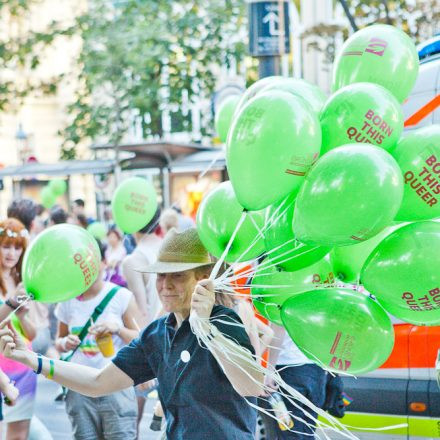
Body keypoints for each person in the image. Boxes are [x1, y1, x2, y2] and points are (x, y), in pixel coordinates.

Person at [0, 228, 262, 439]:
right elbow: (98, 383)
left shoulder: (224, 321)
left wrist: (207, 327)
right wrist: (31, 359)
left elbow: (250, 385)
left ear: (205, 278)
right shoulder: (158, 333)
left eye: (178, 275)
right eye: (160, 275)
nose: (165, 285)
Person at [53, 241, 141, 440]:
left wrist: (118, 329)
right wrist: (65, 342)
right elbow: (58, 341)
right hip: (78, 387)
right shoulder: (67, 300)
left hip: (115, 386)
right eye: (81, 264)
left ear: (103, 263)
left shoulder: (121, 296)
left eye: (92, 262)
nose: (87, 269)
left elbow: (141, 340)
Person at [0, 218, 37, 440]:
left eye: (17, 247)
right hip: (0, 370)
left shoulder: (24, 282)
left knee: (19, 436)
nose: (11, 253)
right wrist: (12, 303)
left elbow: (32, 334)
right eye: (6, 246)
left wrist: (23, 317)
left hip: (23, 366)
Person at [265, 324, 328, 439]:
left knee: (289, 432)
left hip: (288, 368)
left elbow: (278, 330)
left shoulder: (283, 305)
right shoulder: (322, 305)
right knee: (308, 431)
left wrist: (270, 369)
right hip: (317, 370)